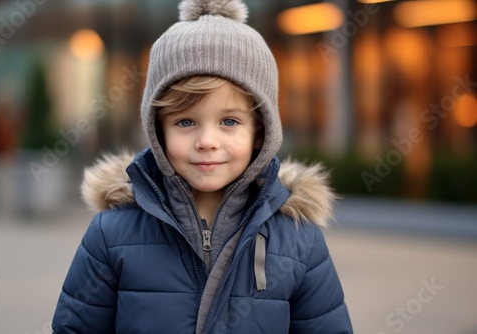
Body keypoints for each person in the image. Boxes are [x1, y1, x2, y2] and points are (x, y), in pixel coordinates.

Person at [52, 0, 353, 332]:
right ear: (158, 131)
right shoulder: (112, 235)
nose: (207, 141)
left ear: (259, 132)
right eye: (185, 122)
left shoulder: (299, 240)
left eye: (228, 121)